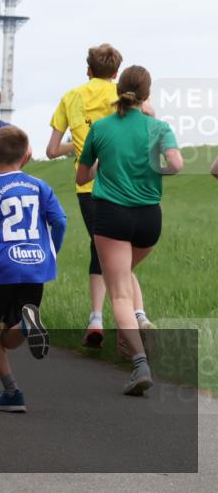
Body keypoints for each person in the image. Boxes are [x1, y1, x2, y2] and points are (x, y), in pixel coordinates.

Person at [76, 65, 183, 395]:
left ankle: (138, 362)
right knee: (124, 274)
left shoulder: (102, 127)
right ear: (147, 95)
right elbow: (177, 165)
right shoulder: (159, 127)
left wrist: (102, 165)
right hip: (149, 218)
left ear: (118, 89)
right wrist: (151, 171)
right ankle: (140, 321)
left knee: (117, 287)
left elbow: (82, 178)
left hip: (111, 216)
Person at [46, 44, 154, 349]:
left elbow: (52, 150)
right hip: (126, 185)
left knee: (104, 255)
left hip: (88, 190)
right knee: (122, 260)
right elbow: (149, 117)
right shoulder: (123, 95)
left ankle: (97, 319)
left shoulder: (71, 97)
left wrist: (78, 147)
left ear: (88, 70)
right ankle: (138, 315)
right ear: (117, 73)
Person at [0, 126, 67, 412]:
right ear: (25, 156)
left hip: (2, 269)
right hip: (36, 266)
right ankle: (25, 324)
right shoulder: (40, 186)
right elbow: (60, 221)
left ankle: (12, 390)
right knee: (9, 335)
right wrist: (51, 250)